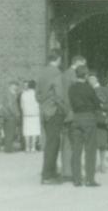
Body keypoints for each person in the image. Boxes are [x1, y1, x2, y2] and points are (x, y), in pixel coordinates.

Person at [36, 51, 67, 184]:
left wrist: (44, 104)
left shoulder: (42, 73)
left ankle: (50, 172)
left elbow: (37, 95)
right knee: (53, 143)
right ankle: (48, 175)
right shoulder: (56, 73)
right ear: (58, 59)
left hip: (44, 111)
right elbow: (60, 94)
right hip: (54, 111)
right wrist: (63, 108)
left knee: (50, 142)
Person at [68, 66, 101, 187]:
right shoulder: (89, 88)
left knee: (76, 149)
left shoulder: (71, 88)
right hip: (88, 118)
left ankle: (77, 179)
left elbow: (70, 102)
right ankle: (89, 179)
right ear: (86, 75)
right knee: (90, 149)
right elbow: (97, 104)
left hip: (76, 118)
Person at [60, 55, 87, 179]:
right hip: (73, 112)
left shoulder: (65, 74)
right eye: (83, 64)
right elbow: (70, 96)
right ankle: (71, 171)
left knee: (67, 142)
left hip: (67, 112)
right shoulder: (73, 75)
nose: (84, 67)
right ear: (77, 62)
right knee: (74, 142)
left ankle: (67, 170)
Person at [88, 73, 108, 173]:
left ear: (94, 81)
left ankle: (101, 165)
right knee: (97, 144)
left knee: (100, 144)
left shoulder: (102, 90)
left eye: (90, 81)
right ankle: (98, 165)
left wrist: (100, 107)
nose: (89, 83)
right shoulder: (90, 91)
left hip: (99, 120)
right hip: (96, 120)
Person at [20, 80, 41, 152]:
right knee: (34, 131)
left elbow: (22, 105)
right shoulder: (37, 94)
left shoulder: (24, 94)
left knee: (27, 132)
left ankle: (27, 147)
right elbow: (39, 104)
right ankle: (33, 147)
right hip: (35, 115)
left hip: (26, 115)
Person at [2, 81, 21, 153]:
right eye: (15, 85)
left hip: (7, 115)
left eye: (17, 86)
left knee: (8, 133)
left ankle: (8, 148)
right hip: (10, 116)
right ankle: (8, 150)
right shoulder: (10, 94)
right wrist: (16, 114)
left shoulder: (9, 94)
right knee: (11, 132)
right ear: (11, 86)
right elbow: (11, 106)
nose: (16, 87)